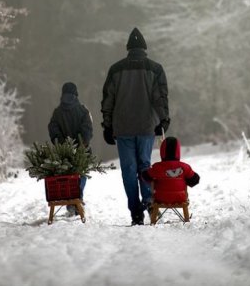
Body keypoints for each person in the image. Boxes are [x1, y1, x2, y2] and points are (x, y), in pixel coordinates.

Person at [101, 27, 170, 225]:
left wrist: (107, 125)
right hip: (146, 126)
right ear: (145, 48)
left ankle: (135, 212)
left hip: (122, 128)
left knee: (128, 170)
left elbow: (108, 100)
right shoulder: (155, 69)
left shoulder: (116, 69)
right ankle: (148, 202)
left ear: (128, 48)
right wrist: (164, 120)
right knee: (145, 166)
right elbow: (160, 98)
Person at [48, 82, 93, 212]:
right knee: (82, 174)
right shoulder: (83, 110)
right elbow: (88, 130)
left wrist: (62, 145)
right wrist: (82, 145)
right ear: (76, 94)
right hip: (82, 151)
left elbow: (53, 130)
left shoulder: (56, 113)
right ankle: (77, 199)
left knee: (67, 176)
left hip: (63, 153)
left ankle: (71, 201)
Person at [141, 136, 200, 205]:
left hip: (160, 198)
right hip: (180, 198)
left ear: (162, 151)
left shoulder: (157, 167)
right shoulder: (184, 167)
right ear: (178, 151)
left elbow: (145, 176)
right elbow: (195, 180)